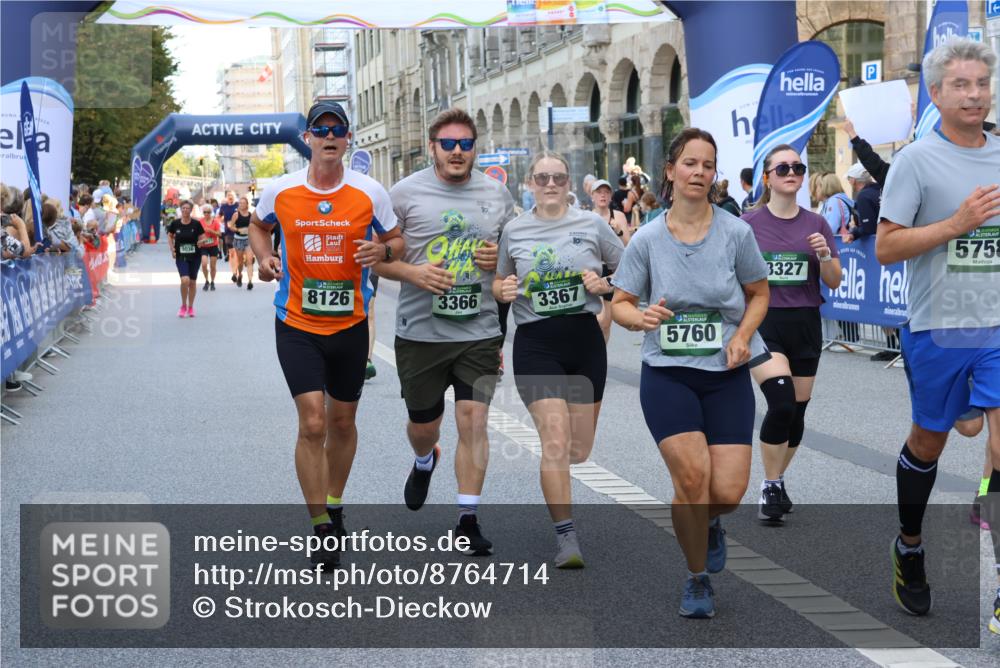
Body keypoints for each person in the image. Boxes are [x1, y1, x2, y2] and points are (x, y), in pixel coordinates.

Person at [611, 128, 770, 618]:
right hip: (668, 374)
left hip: (725, 371)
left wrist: (742, 335)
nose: (699, 172)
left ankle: (707, 522)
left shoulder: (736, 232)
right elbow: (620, 304)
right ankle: (697, 576)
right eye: (690, 163)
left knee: (726, 491)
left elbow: (759, 294)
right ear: (671, 171)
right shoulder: (648, 239)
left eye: (708, 165)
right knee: (692, 478)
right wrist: (642, 318)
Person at [874, 38, 1000, 626]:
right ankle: (910, 544)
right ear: (937, 93)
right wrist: (957, 223)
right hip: (939, 327)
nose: (974, 94)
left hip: (997, 324)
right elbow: (885, 247)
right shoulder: (916, 161)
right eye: (961, 85)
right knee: (930, 442)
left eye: (981, 83)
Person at [248, 100, 404, 570]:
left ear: (348, 138)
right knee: (313, 422)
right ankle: (320, 526)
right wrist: (263, 257)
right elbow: (258, 227)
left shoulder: (369, 192)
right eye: (321, 128)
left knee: (342, 423)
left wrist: (381, 248)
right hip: (296, 323)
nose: (330, 135)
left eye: (338, 128)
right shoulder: (281, 190)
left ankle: (335, 501)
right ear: (309, 138)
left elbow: (398, 240)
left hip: (351, 325)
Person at [377, 108, 514, 555]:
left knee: (473, 420)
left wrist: (499, 265)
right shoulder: (403, 194)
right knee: (425, 425)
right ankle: (424, 459)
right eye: (448, 144)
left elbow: (512, 259)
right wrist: (414, 274)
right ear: (433, 147)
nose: (457, 152)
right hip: (420, 333)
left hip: (479, 329)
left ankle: (467, 517)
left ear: (475, 148)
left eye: (466, 144)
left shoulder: (497, 194)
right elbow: (375, 257)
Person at [495, 150, 624, 568]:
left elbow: (631, 272)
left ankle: (561, 487)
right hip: (536, 345)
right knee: (553, 442)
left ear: (570, 185)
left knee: (578, 449)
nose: (550, 184)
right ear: (530, 183)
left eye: (558, 178)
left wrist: (603, 284)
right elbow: (498, 282)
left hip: (584, 342)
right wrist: (504, 291)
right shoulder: (514, 230)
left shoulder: (592, 225)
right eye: (542, 178)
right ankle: (566, 538)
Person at [742, 144, 842, 522]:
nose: (791, 172)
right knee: (781, 401)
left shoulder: (817, 225)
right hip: (764, 322)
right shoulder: (749, 224)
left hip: (805, 322)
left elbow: (833, 280)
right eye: (781, 167)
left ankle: (778, 478)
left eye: (797, 167)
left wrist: (825, 256)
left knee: (797, 413)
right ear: (767, 177)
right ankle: (768, 485)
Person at [589, 178, 630, 343]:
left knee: (606, 323)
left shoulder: (618, 216)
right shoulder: (587, 218)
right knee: (598, 319)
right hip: (595, 271)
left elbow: (629, 245)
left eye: (606, 192)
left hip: (613, 273)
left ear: (611, 196)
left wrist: (619, 232)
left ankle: (601, 357)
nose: (603, 196)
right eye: (599, 192)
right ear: (592, 196)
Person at [167, 200, 205, 317]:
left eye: (187, 208)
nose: (185, 210)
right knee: (185, 280)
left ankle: (190, 307)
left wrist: (201, 242)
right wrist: (172, 248)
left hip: (195, 256)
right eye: (183, 208)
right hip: (181, 255)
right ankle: (183, 305)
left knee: (192, 282)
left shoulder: (196, 224)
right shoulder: (175, 223)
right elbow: (170, 235)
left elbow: (203, 238)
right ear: (180, 209)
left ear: (191, 210)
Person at [845, 163, 880, 242]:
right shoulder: (879, 189)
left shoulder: (863, 196)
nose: (849, 182)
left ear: (853, 180)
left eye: (848, 179)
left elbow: (868, 228)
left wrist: (854, 232)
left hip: (877, 245)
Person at [227, 196, 254, 289]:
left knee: (250, 260)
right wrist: (238, 230)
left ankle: (250, 281)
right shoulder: (236, 214)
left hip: (248, 239)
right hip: (238, 239)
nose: (241, 204)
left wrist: (249, 230)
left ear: (247, 204)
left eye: (243, 203)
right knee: (240, 261)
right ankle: (240, 275)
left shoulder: (251, 214)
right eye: (240, 203)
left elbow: (253, 226)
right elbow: (231, 226)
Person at [198, 204, 221, 290]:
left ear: (211, 212)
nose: (206, 214)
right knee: (204, 264)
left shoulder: (215, 222)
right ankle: (206, 280)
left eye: (208, 212)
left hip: (213, 246)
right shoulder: (200, 222)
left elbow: (219, 234)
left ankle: (212, 282)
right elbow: (196, 234)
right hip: (203, 246)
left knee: (213, 266)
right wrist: (199, 240)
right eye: (205, 212)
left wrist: (211, 231)